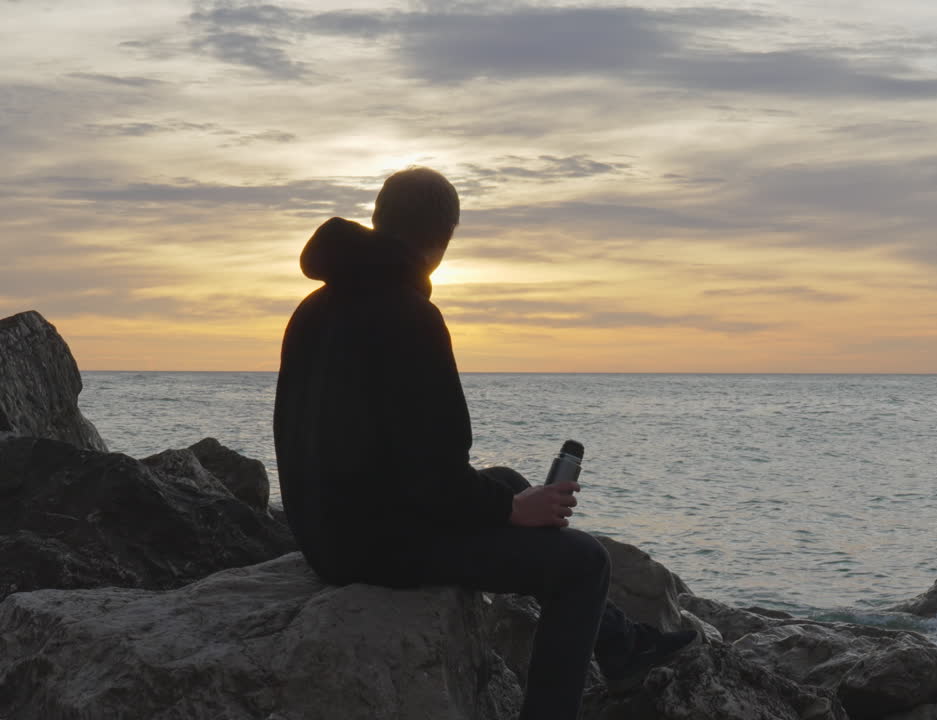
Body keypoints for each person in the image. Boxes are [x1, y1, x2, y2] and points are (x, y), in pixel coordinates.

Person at [273, 167, 695, 719]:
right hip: (373, 545)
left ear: (379, 219)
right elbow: (434, 477)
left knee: (508, 482)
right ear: (443, 237)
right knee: (583, 564)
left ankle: (619, 644)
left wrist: (509, 502)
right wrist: (508, 513)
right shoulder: (409, 316)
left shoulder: (312, 309)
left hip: (324, 530)